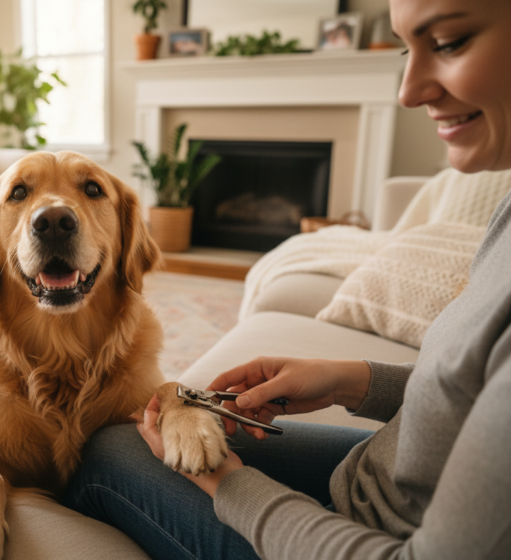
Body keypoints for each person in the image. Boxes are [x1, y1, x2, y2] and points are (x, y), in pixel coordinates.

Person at [61, 0, 511, 558]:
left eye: (446, 43)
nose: (408, 91)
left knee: (109, 452)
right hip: (391, 479)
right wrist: (347, 379)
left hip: (372, 539)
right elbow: (471, 385)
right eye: (404, 49)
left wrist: (228, 483)